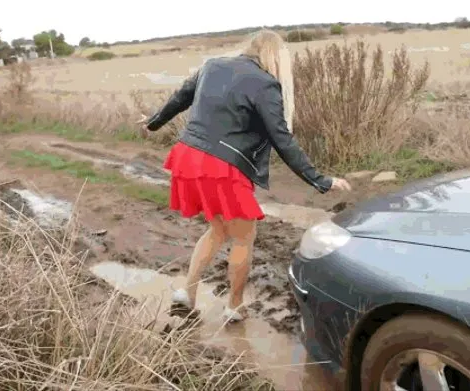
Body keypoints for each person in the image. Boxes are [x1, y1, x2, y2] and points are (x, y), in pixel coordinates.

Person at [141, 29, 352, 323]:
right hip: (221, 166)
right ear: (275, 56)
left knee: (217, 230)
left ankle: (186, 294)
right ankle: (235, 307)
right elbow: (283, 139)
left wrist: (153, 122)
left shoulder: (213, 65)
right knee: (243, 236)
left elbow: (180, 98)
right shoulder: (266, 84)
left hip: (188, 156)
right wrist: (320, 180)